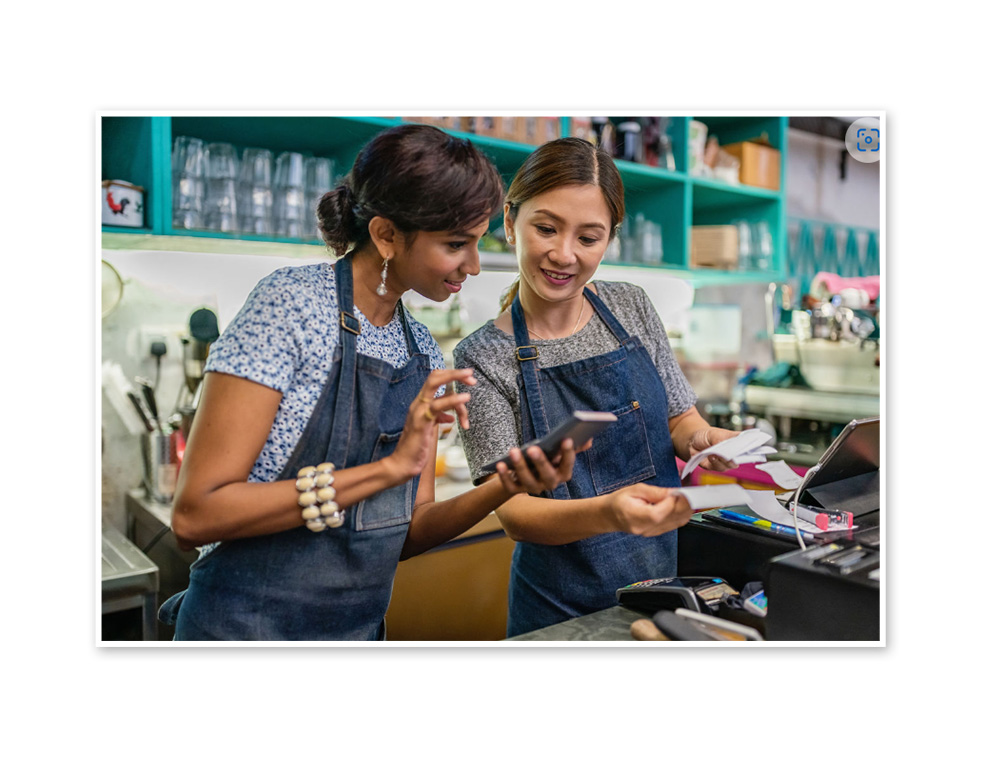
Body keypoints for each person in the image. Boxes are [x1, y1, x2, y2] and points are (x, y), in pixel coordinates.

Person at [158, 124, 576, 641]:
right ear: (385, 235)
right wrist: (390, 468)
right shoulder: (291, 307)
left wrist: (506, 486)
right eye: (455, 244)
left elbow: (409, 532)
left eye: (478, 241)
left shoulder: (419, 348)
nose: (472, 264)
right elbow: (196, 515)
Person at [453, 137, 740, 637]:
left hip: (661, 590)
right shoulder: (482, 357)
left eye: (589, 238)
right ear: (509, 222)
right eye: (546, 228)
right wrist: (610, 513)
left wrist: (700, 438)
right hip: (558, 612)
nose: (564, 255)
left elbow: (679, 417)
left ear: (609, 239)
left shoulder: (630, 308)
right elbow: (515, 513)